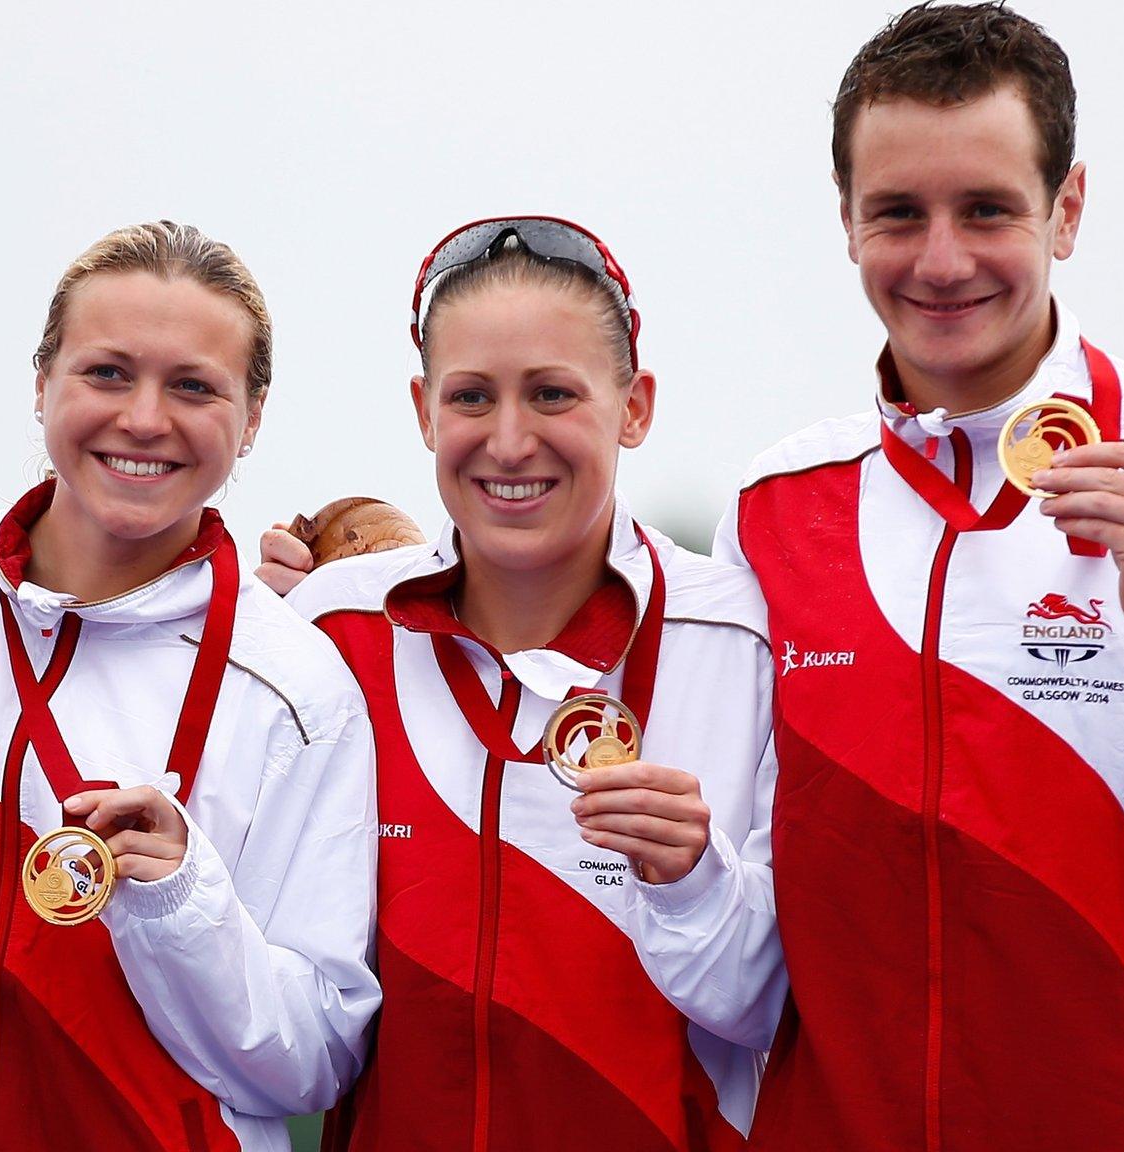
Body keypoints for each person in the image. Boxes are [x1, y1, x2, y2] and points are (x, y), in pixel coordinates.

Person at [716, 5, 1124, 1149]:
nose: (941, 259)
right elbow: (739, 930)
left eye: (986, 210)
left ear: (1065, 211)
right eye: (898, 214)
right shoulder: (773, 508)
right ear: (845, 221)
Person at [0, 221, 379, 1152]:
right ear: (42, 383)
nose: (145, 418)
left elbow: (315, 1056)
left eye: (194, 385)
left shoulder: (297, 690)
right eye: (107, 372)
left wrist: (185, 903)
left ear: (255, 416)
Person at [260, 217, 784, 1150]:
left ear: (635, 406)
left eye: (552, 394)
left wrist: (693, 883)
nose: (509, 442)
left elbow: (777, 1010)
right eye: (471, 397)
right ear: (422, 409)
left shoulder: (742, 638)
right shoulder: (332, 630)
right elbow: (286, 1004)